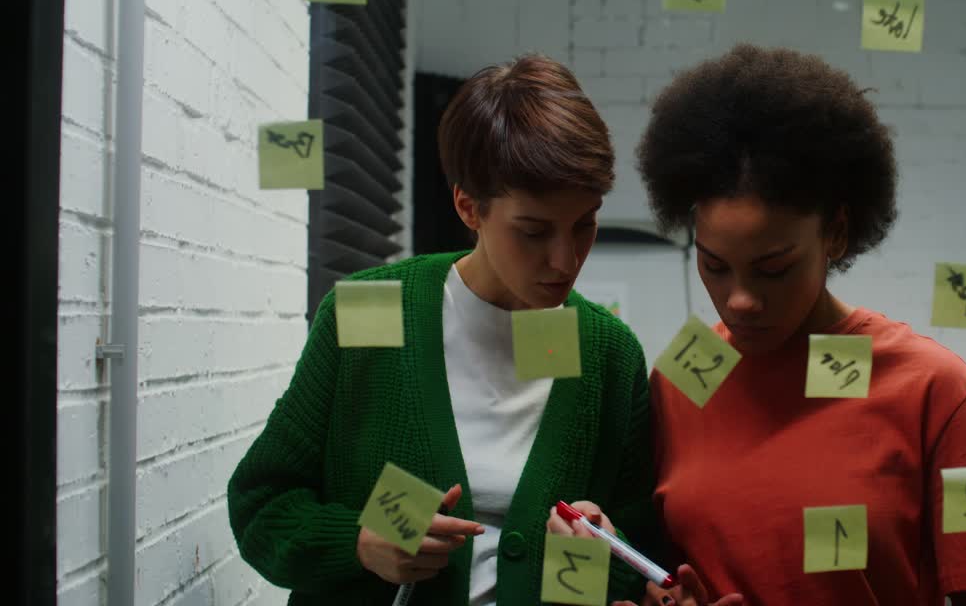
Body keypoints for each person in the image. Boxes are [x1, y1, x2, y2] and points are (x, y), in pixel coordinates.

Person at [228, 54, 658, 605]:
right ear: (468, 207)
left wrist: (599, 553)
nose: (565, 259)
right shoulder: (372, 311)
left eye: (585, 224)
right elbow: (262, 506)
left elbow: (640, 555)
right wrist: (359, 544)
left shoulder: (608, 354)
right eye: (533, 231)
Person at [612, 43, 966, 605]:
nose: (740, 302)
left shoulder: (937, 391)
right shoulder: (682, 379)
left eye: (773, 268)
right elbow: (661, 569)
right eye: (714, 266)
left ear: (836, 233)